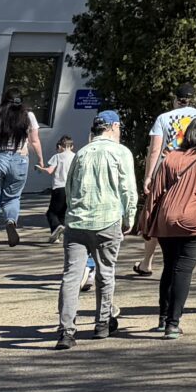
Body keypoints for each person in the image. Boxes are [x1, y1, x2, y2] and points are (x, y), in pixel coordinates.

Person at [134, 116, 196, 338]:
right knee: (183, 270)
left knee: (169, 267)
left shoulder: (170, 158)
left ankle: (162, 318)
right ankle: (173, 323)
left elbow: (156, 192)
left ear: (188, 135)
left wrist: (147, 222)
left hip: (166, 220)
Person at [56, 111, 138, 350]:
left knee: (71, 276)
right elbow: (128, 189)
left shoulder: (81, 152)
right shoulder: (121, 152)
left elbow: (69, 188)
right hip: (108, 219)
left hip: (77, 222)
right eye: (119, 127)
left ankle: (66, 331)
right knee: (106, 272)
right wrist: (129, 217)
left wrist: (72, 212)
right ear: (112, 127)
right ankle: (102, 322)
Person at [130, 88, 196, 277]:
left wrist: (149, 175)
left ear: (176, 100)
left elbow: (155, 149)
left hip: (166, 169)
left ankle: (147, 262)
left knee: (156, 213)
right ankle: (184, 256)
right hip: (194, 170)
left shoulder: (164, 118)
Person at [0, 97, 49, 250]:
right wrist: (41, 160)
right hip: (19, 159)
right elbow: (34, 140)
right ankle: (10, 221)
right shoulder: (29, 115)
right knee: (13, 197)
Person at [44, 135, 77, 238]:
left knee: (51, 213)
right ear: (71, 146)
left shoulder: (57, 156)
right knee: (63, 212)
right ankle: (58, 235)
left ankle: (56, 227)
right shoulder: (76, 156)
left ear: (60, 146)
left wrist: (40, 168)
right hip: (71, 188)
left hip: (59, 187)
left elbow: (50, 170)